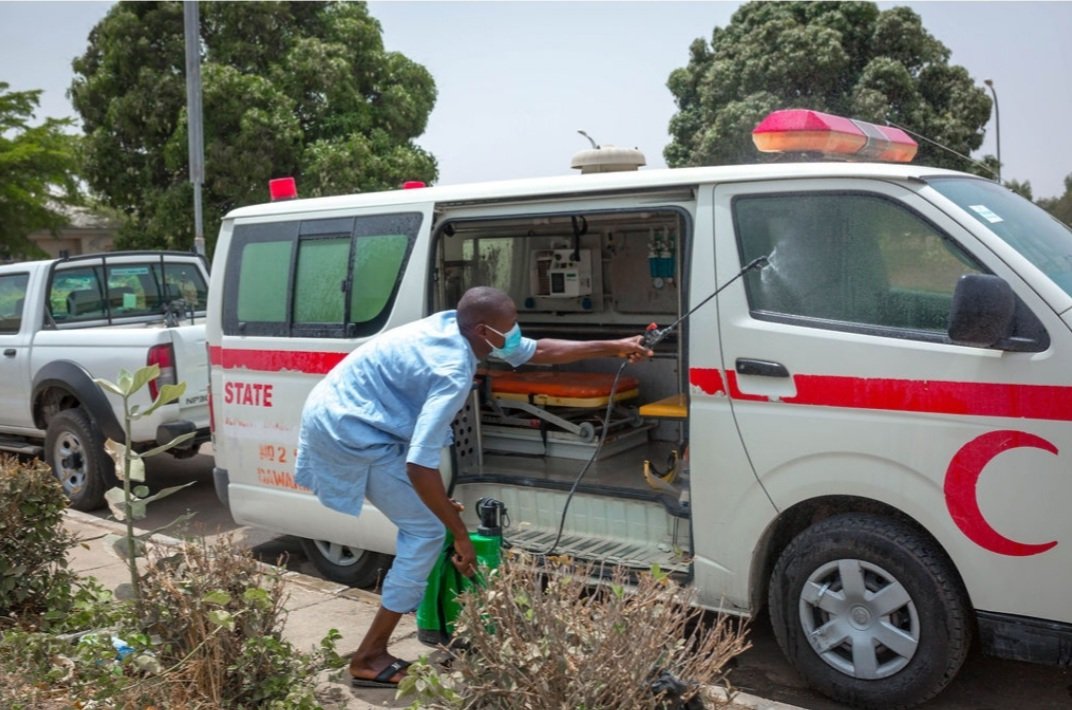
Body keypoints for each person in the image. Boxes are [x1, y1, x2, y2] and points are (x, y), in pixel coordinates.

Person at [293, 285, 652, 688]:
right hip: (347, 429)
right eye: (511, 324)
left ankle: (374, 648)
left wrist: (615, 346)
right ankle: (369, 656)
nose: (517, 331)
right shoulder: (452, 370)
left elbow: (536, 350)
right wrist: (460, 535)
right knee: (427, 531)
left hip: (354, 412)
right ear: (484, 330)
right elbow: (418, 465)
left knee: (430, 515)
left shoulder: (456, 325)